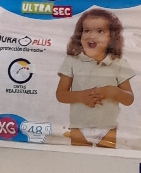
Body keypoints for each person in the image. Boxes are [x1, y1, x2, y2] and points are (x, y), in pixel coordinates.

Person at [56, 8, 135, 148]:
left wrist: (112, 91)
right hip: (79, 126)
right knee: (78, 158)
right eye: (86, 31)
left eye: (100, 31)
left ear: (112, 37)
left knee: (106, 159)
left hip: (108, 127)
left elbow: (129, 99)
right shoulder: (72, 61)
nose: (91, 36)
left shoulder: (119, 63)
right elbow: (60, 95)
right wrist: (81, 96)